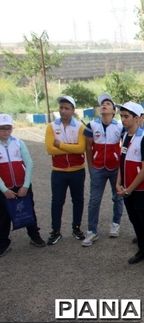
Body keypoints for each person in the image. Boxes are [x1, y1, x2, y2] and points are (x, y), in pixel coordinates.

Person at [116, 101, 144, 268]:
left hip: (141, 190)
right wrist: (118, 182)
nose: (123, 120)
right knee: (135, 221)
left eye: (126, 117)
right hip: (128, 190)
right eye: (121, 116)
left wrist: (130, 188)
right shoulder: (125, 136)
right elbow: (122, 162)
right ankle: (143, 250)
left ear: (137, 118)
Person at [0, 114, 45, 256]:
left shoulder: (19, 142)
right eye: (2, 129)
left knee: (28, 211)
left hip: (22, 185)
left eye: (8, 128)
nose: (6, 132)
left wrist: (25, 186)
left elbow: (29, 163)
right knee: (3, 216)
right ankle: (3, 242)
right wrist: (4, 189)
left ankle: (34, 236)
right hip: (4, 188)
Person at [81, 93, 123, 246]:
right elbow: (88, 147)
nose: (104, 105)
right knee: (94, 200)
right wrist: (91, 168)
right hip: (98, 168)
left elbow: (125, 146)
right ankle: (92, 231)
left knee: (117, 197)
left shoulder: (120, 126)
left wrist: (122, 169)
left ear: (114, 110)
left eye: (108, 104)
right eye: (102, 104)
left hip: (115, 168)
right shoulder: (92, 125)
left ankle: (115, 224)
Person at [45, 95, 86, 245]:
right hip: (58, 171)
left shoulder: (79, 127)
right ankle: (55, 231)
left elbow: (81, 148)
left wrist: (60, 145)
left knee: (78, 200)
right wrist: (71, 148)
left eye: (67, 108)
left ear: (73, 110)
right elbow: (50, 149)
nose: (63, 111)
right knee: (57, 201)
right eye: (61, 108)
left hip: (77, 171)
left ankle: (76, 228)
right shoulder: (51, 126)